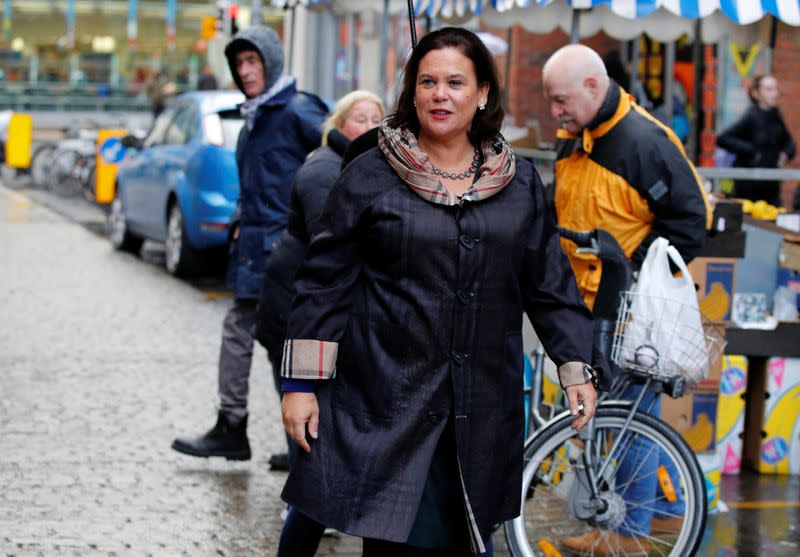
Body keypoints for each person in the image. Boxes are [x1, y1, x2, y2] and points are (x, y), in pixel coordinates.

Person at [279, 27, 604, 556]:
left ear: (482, 95)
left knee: (471, 538)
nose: (439, 94)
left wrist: (575, 365)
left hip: (480, 404)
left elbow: (548, 282)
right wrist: (300, 385)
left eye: (455, 81)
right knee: (398, 542)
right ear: (412, 93)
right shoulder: (371, 174)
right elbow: (323, 282)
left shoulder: (518, 182)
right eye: (427, 82)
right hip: (387, 401)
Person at [542, 44, 711, 555]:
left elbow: (691, 221)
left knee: (624, 415)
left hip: (624, 307)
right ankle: (664, 513)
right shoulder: (578, 134)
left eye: (561, 100)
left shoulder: (644, 142)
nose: (554, 112)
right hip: (584, 298)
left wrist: (635, 268)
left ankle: (626, 531)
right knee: (634, 412)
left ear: (593, 87)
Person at [171, 25, 328, 463]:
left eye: (253, 61)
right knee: (270, 340)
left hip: (284, 252)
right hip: (255, 250)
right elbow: (255, 184)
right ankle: (281, 438)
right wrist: (240, 219)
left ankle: (247, 430)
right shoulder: (255, 118)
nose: (245, 71)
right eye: (239, 64)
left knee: (271, 339)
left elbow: (337, 158)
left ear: (271, 61)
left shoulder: (297, 110)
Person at [250, 88, 384, 555]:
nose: (367, 124)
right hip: (300, 319)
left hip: (321, 323)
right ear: (338, 124)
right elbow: (334, 257)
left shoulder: (358, 168)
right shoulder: (324, 172)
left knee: (320, 455)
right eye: (358, 117)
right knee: (314, 449)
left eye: (375, 117)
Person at [716, 74, 796, 206]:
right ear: (756, 93)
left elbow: (789, 143)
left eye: (776, 89)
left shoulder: (776, 115)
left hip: (771, 186)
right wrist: (752, 152)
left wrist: (786, 154)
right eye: (769, 89)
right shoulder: (751, 115)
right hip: (749, 187)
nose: (775, 93)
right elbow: (723, 139)